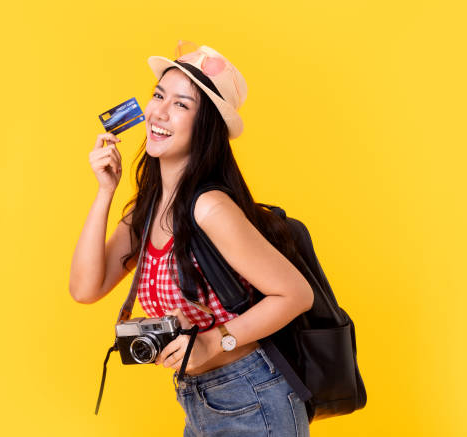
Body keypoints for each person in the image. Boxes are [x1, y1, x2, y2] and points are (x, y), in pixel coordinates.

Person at [69, 43, 314, 436]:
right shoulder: (146, 211)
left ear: (206, 127)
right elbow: (84, 289)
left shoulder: (210, 208)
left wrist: (216, 341)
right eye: (158, 95)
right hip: (198, 398)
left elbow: (297, 295)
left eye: (182, 105)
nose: (159, 112)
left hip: (251, 397)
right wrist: (104, 192)